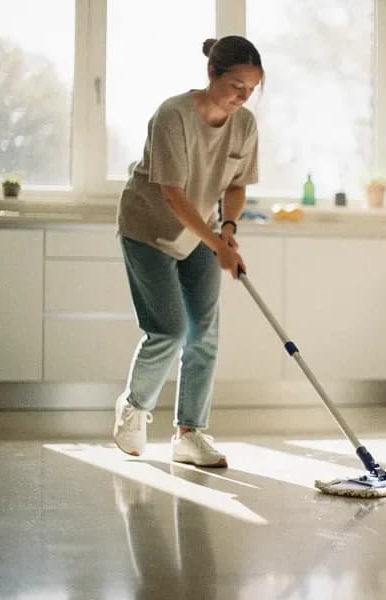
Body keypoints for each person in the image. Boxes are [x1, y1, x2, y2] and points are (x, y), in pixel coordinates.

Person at [113, 36, 264, 467]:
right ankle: (133, 407)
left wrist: (228, 230)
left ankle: (189, 433)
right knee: (169, 329)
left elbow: (236, 186)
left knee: (204, 333)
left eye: (251, 89)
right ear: (212, 73)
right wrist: (218, 245)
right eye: (236, 86)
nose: (243, 97)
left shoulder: (244, 124)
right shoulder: (173, 115)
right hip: (149, 228)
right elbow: (173, 195)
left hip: (201, 232)